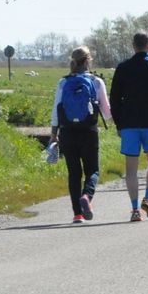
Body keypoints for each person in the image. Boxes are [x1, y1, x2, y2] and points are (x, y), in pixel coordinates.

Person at [109, 32, 148, 221]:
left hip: (129, 122)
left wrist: (118, 123)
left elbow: (115, 98)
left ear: (133, 46)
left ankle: (135, 209)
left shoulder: (123, 68)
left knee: (131, 169)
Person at [50, 47, 112, 223]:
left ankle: (77, 214)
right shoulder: (96, 81)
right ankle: (86, 196)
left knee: (74, 173)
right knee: (92, 170)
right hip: (89, 131)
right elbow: (107, 113)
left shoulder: (63, 82)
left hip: (68, 131)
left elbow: (56, 109)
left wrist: (54, 134)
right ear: (87, 61)